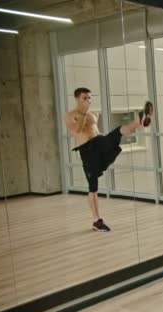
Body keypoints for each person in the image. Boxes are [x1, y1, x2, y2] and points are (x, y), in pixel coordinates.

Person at [64, 87, 153, 232]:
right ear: (77, 99)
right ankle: (96, 221)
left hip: (98, 143)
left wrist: (106, 142)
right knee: (93, 186)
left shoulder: (93, 114)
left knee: (117, 132)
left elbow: (96, 132)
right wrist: (84, 114)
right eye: (85, 98)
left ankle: (141, 121)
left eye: (90, 98)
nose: (88, 101)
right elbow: (78, 130)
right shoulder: (70, 115)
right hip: (87, 150)